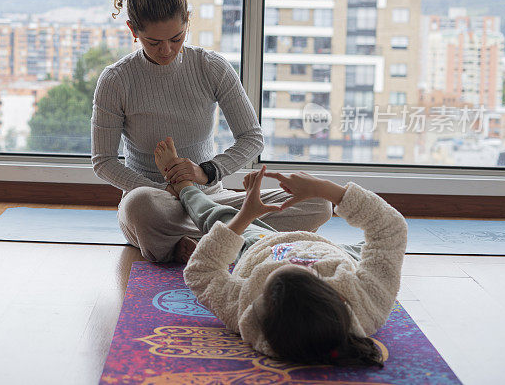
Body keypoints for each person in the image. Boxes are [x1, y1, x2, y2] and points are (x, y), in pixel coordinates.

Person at [92, 0, 331, 263]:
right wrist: (166, 189)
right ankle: (237, 238)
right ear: (133, 31)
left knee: (318, 201)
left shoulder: (211, 66)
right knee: (140, 208)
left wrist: (204, 173)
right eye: (153, 42)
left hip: (211, 197)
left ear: (187, 21)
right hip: (155, 201)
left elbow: (251, 137)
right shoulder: (116, 80)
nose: (166, 50)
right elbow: (104, 161)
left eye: (176, 38)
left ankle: (207, 242)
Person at [153, 137, 407, 367]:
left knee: (217, 219)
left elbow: (201, 272)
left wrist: (245, 215)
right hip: (339, 254)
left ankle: (184, 186)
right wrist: (325, 189)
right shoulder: (368, 304)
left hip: (262, 247)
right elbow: (390, 228)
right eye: (307, 270)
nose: (296, 262)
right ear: (338, 298)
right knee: (383, 251)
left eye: (279, 271)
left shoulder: (246, 311)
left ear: (260, 306)